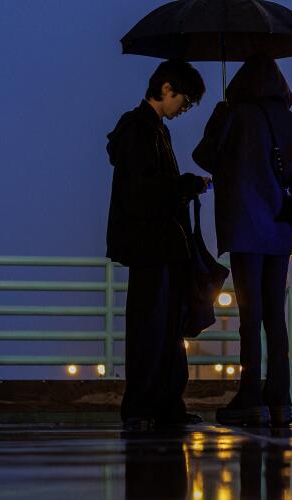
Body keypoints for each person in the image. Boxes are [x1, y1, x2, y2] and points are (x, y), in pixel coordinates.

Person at [193, 54, 292, 427]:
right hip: (280, 226)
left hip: (245, 223)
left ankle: (250, 394)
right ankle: (280, 397)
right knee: (274, 312)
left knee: (251, 310)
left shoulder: (235, 116)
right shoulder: (291, 122)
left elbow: (205, 156)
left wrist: (218, 115)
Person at [106, 59, 210, 428]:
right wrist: (186, 185)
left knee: (162, 325)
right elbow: (146, 190)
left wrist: (183, 185)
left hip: (156, 244)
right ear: (166, 88)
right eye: (185, 99)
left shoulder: (149, 129)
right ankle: (145, 407)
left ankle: (161, 405)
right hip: (153, 243)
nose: (185, 107)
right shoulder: (140, 130)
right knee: (153, 326)